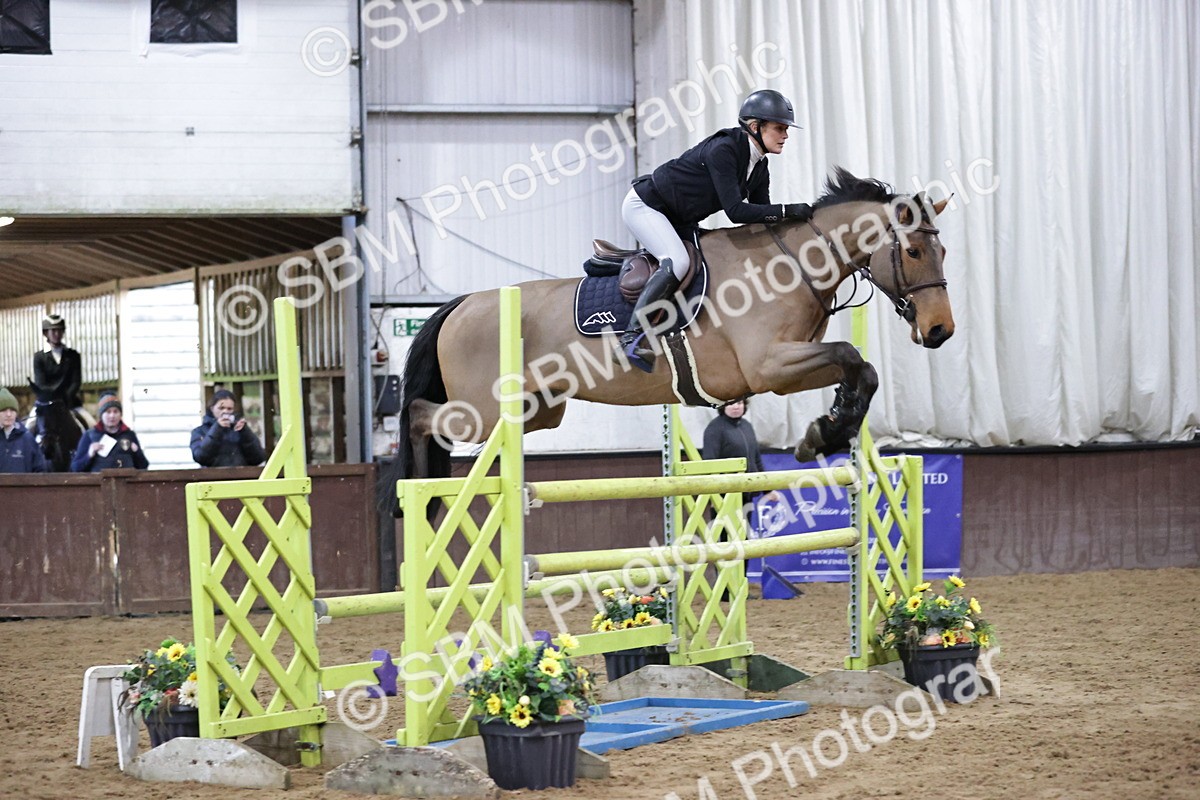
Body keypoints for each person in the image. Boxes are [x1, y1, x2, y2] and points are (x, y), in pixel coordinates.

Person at [616, 89, 814, 371]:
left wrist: (802, 224)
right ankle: (630, 339)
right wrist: (788, 210)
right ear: (755, 127)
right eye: (780, 128)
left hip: (680, 217)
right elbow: (735, 212)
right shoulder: (725, 150)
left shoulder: (759, 167)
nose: (786, 135)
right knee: (679, 261)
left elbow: (761, 219)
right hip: (647, 206)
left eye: (786, 129)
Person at [70, 395, 149, 472]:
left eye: (115, 411)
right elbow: (75, 468)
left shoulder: (129, 435)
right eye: (108, 412)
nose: (112, 416)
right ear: (101, 415)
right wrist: (89, 454)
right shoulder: (90, 435)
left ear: (120, 414)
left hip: (126, 484)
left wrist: (136, 451)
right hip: (99, 484)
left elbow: (144, 466)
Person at [190, 389, 266, 467]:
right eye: (221, 408)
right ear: (212, 408)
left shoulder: (239, 430)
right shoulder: (199, 432)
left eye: (229, 409)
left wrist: (245, 432)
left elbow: (258, 458)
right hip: (213, 477)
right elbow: (200, 456)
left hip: (240, 476)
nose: (225, 411)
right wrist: (217, 429)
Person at [33, 314, 84, 411]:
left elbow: (76, 382)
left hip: (69, 401)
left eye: (59, 330)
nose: (57, 334)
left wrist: (66, 397)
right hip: (46, 402)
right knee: (29, 424)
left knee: (89, 422)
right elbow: (40, 383)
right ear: (46, 333)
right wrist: (52, 397)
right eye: (53, 330)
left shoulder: (73, 355)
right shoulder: (39, 357)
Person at [0, 386, 47, 473]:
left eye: (12, 410)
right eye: (3, 410)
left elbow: (40, 471)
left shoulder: (27, 439)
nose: (9, 414)